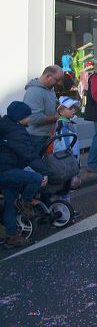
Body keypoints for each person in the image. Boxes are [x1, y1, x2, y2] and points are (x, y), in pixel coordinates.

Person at [0, 101, 48, 248]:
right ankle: (25, 202)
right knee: (37, 179)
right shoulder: (16, 132)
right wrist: (44, 172)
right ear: (20, 117)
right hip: (7, 170)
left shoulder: (6, 125)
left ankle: (11, 236)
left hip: (7, 169)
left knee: (10, 203)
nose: (30, 119)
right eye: (28, 116)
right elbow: (29, 155)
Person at [23, 65, 63, 162]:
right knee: (37, 168)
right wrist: (56, 118)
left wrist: (61, 107)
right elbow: (35, 118)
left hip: (47, 136)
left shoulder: (50, 89)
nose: (58, 83)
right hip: (36, 137)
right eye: (57, 80)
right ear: (48, 76)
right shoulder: (34, 91)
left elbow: (55, 103)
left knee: (46, 166)